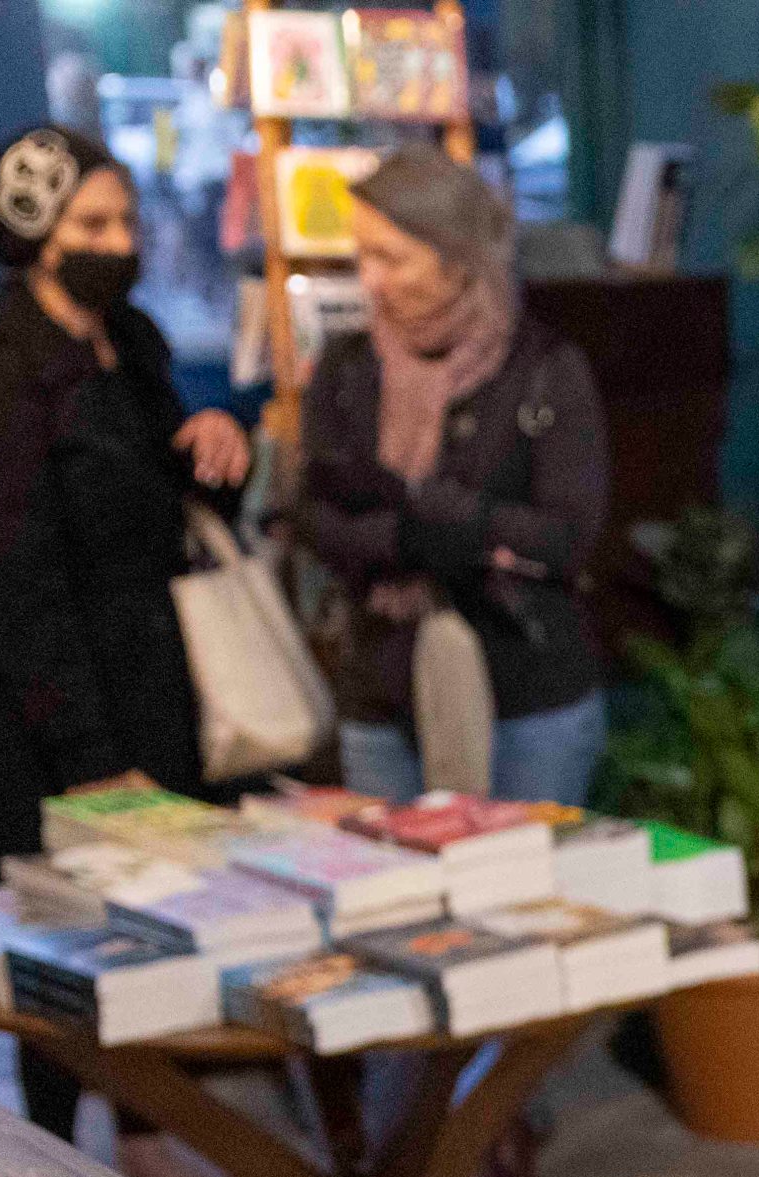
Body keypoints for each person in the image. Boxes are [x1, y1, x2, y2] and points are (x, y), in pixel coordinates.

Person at [0, 125, 249, 1149]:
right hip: (47, 699)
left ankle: (159, 1151)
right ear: (35, 234)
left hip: (153, 671)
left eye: (128, 220)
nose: (123, 240)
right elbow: (15, 578)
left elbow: (161, 496)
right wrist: (91, 759)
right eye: (95, 223)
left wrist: (209, 445)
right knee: (59, 945)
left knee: (162, 929)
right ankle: (64, 1162)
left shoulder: (136, 338)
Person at [293, 144, 607, 808]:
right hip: (380, 688)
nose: (369, 280)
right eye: (362, 254)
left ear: (455, 256)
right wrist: (411, 537)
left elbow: (567, 535)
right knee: (397, 892)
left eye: (392, 257)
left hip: (524, 689)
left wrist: (442, 519)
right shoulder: (349, 367)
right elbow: (314, 517)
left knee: (524, 894)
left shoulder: (543, 367)